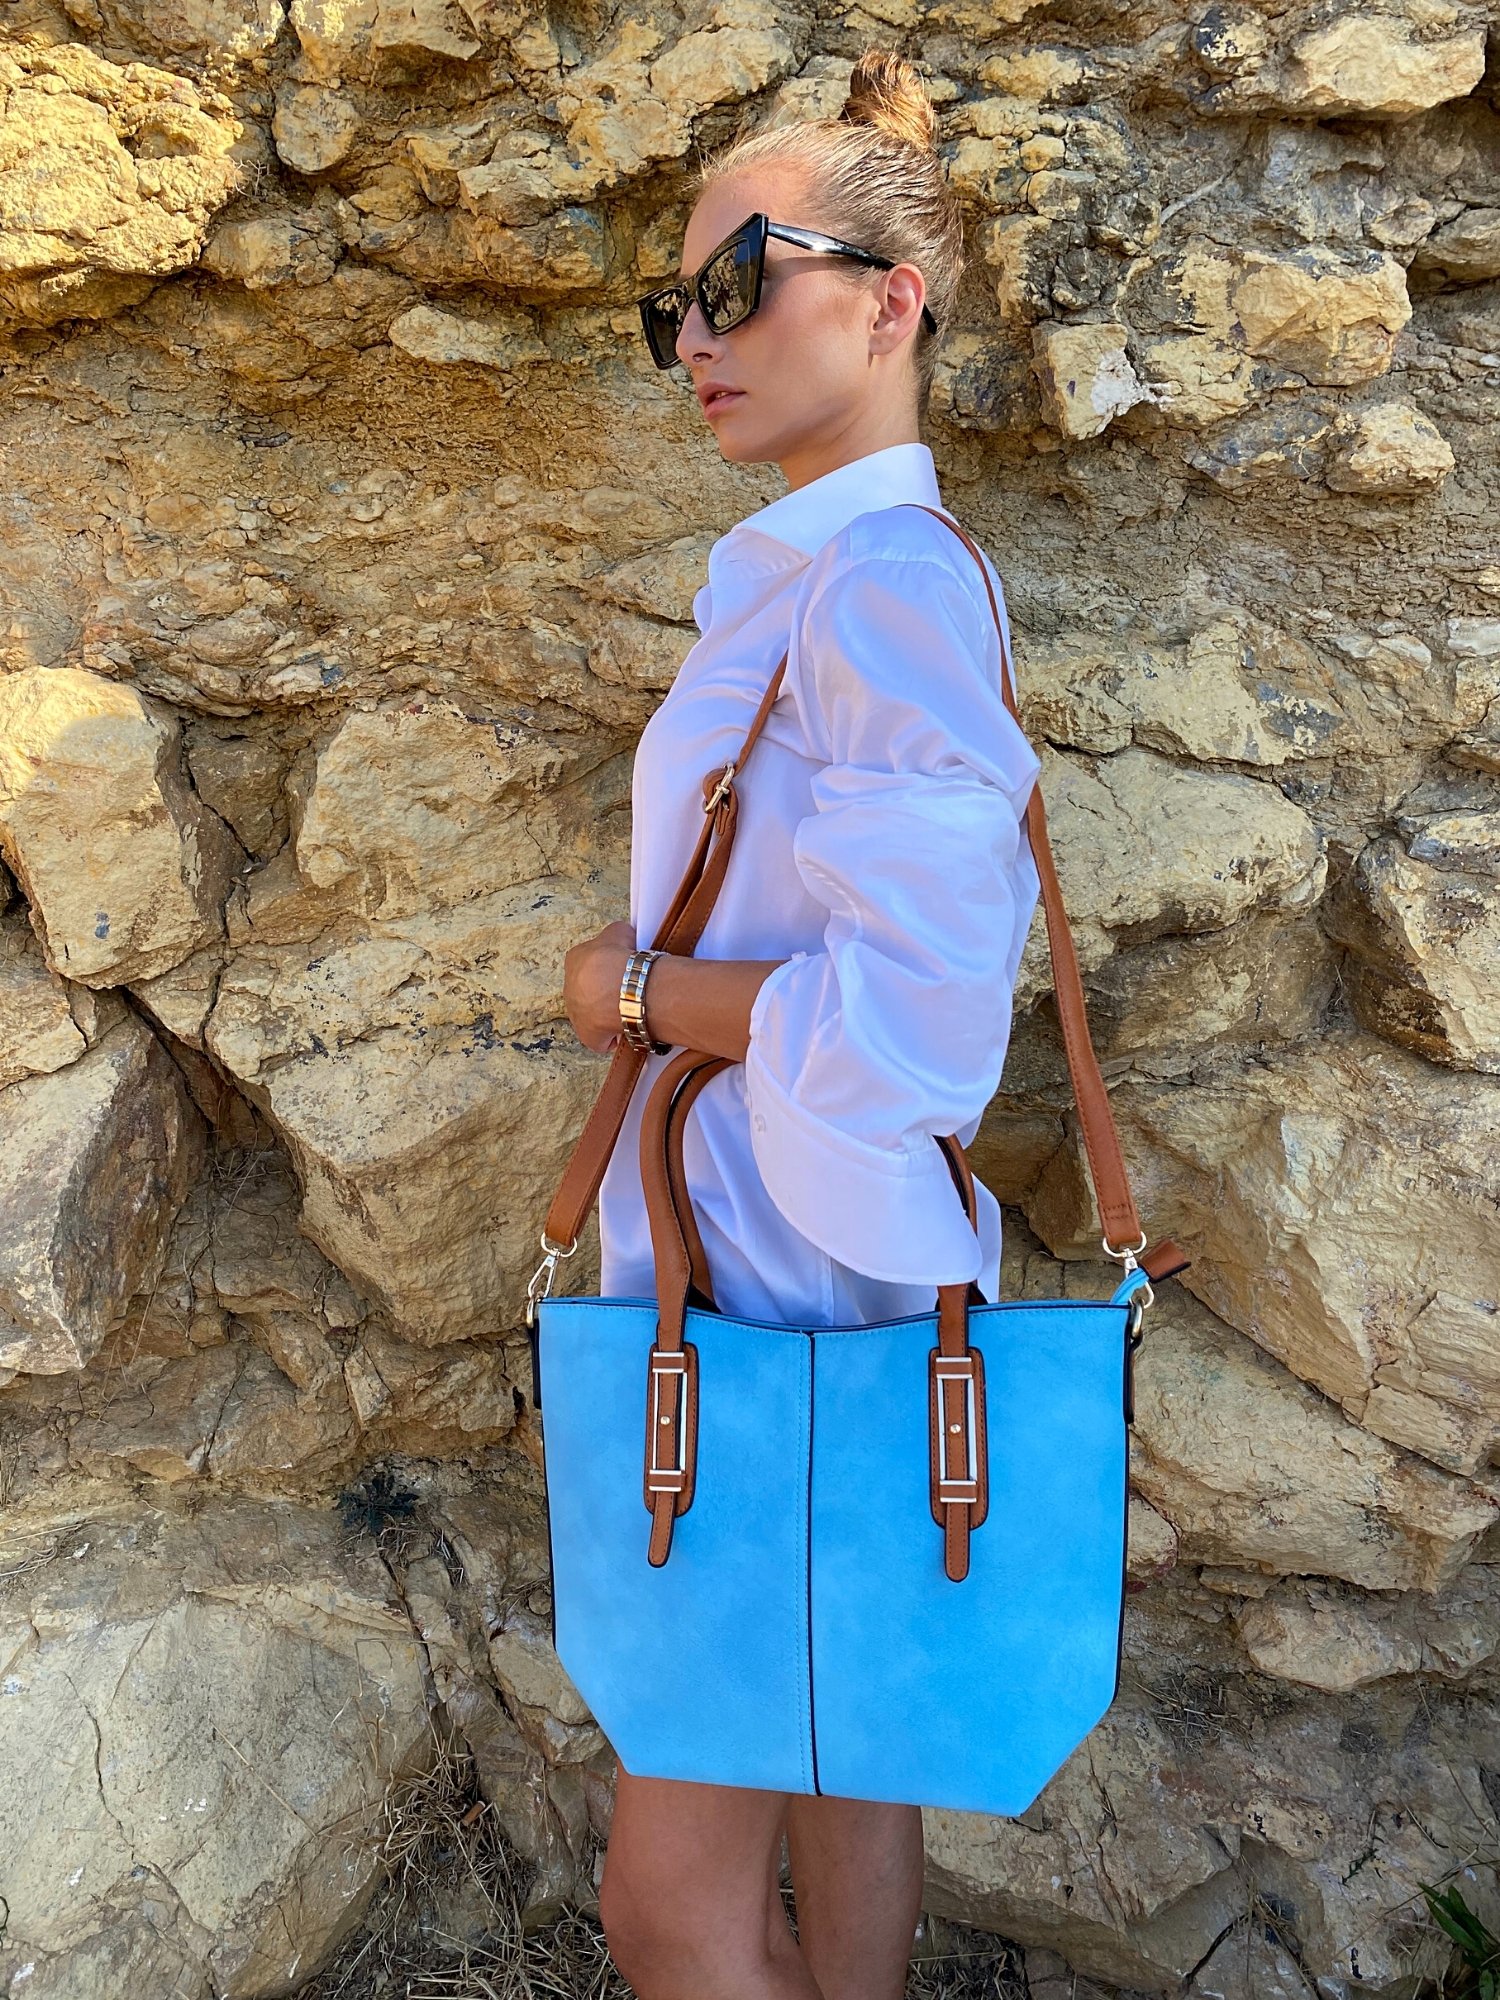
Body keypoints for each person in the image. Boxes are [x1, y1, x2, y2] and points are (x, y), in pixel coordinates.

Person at [559, 46, 1044, 2000]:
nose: (700, 331)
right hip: (812, 1273)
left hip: (765, 1294)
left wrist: (639, 994)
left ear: (891, 297)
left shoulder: (873, 592)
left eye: (742, 279)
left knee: (666, 1909)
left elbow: (925, 1032)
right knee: (853, 1765)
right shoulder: (816, 580)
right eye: (674, 300)